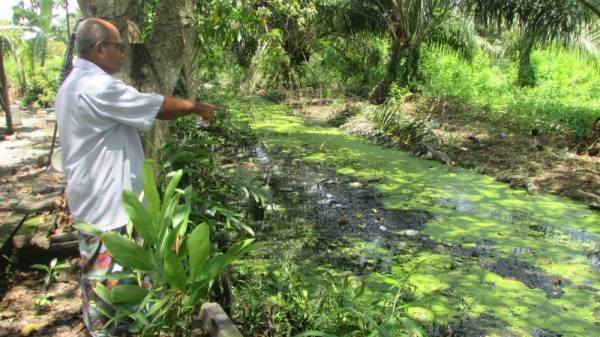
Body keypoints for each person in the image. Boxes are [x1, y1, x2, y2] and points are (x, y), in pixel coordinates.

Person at [54, 18, 218, 337]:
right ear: (100, 48)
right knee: (113, 307)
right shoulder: (96, 87)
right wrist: (198, 107)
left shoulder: (72, 85)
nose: (122, 54)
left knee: (103, 296)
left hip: (94, 210)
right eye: (119, 47)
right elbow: (157, 107)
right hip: (110, 217)